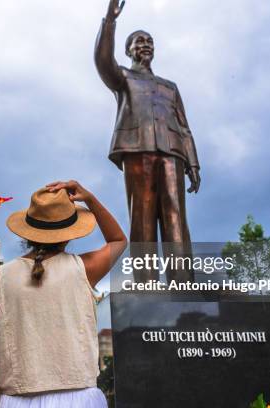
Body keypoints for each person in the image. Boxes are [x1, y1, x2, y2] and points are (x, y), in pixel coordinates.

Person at [0, 180, 127, 408]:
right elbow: (118, 240)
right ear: (69, 234)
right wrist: (90, 199)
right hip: (79, 400)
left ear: (28, 232)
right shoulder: (84, 268)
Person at [95, 0, 200, 282]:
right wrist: (110, 21)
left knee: (176, 217)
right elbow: (103, 62)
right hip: (137, 149)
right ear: (128, 50)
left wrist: (194, 163)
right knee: (141, 217)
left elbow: (185, 127)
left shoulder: (169, 87)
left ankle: (183, 282)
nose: (146, 45)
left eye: (150, 41)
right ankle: (146, 283)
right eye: (139, 41)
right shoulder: (123, 78)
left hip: (172, 153)